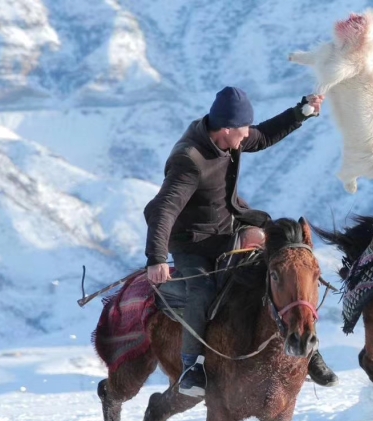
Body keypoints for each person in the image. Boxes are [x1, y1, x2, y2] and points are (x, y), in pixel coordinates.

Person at [144, 87, 338, 397]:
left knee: (282, 264)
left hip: (227, 221)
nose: (247, 134)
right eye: (242, 129)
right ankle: (192, 366)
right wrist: (156, 258)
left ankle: (309, 350)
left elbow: (263, 136)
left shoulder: (228, 135)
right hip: (192, 240)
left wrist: (301, 112)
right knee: (202, 290)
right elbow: (164, 209)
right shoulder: (188, 160)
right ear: (224, 130)